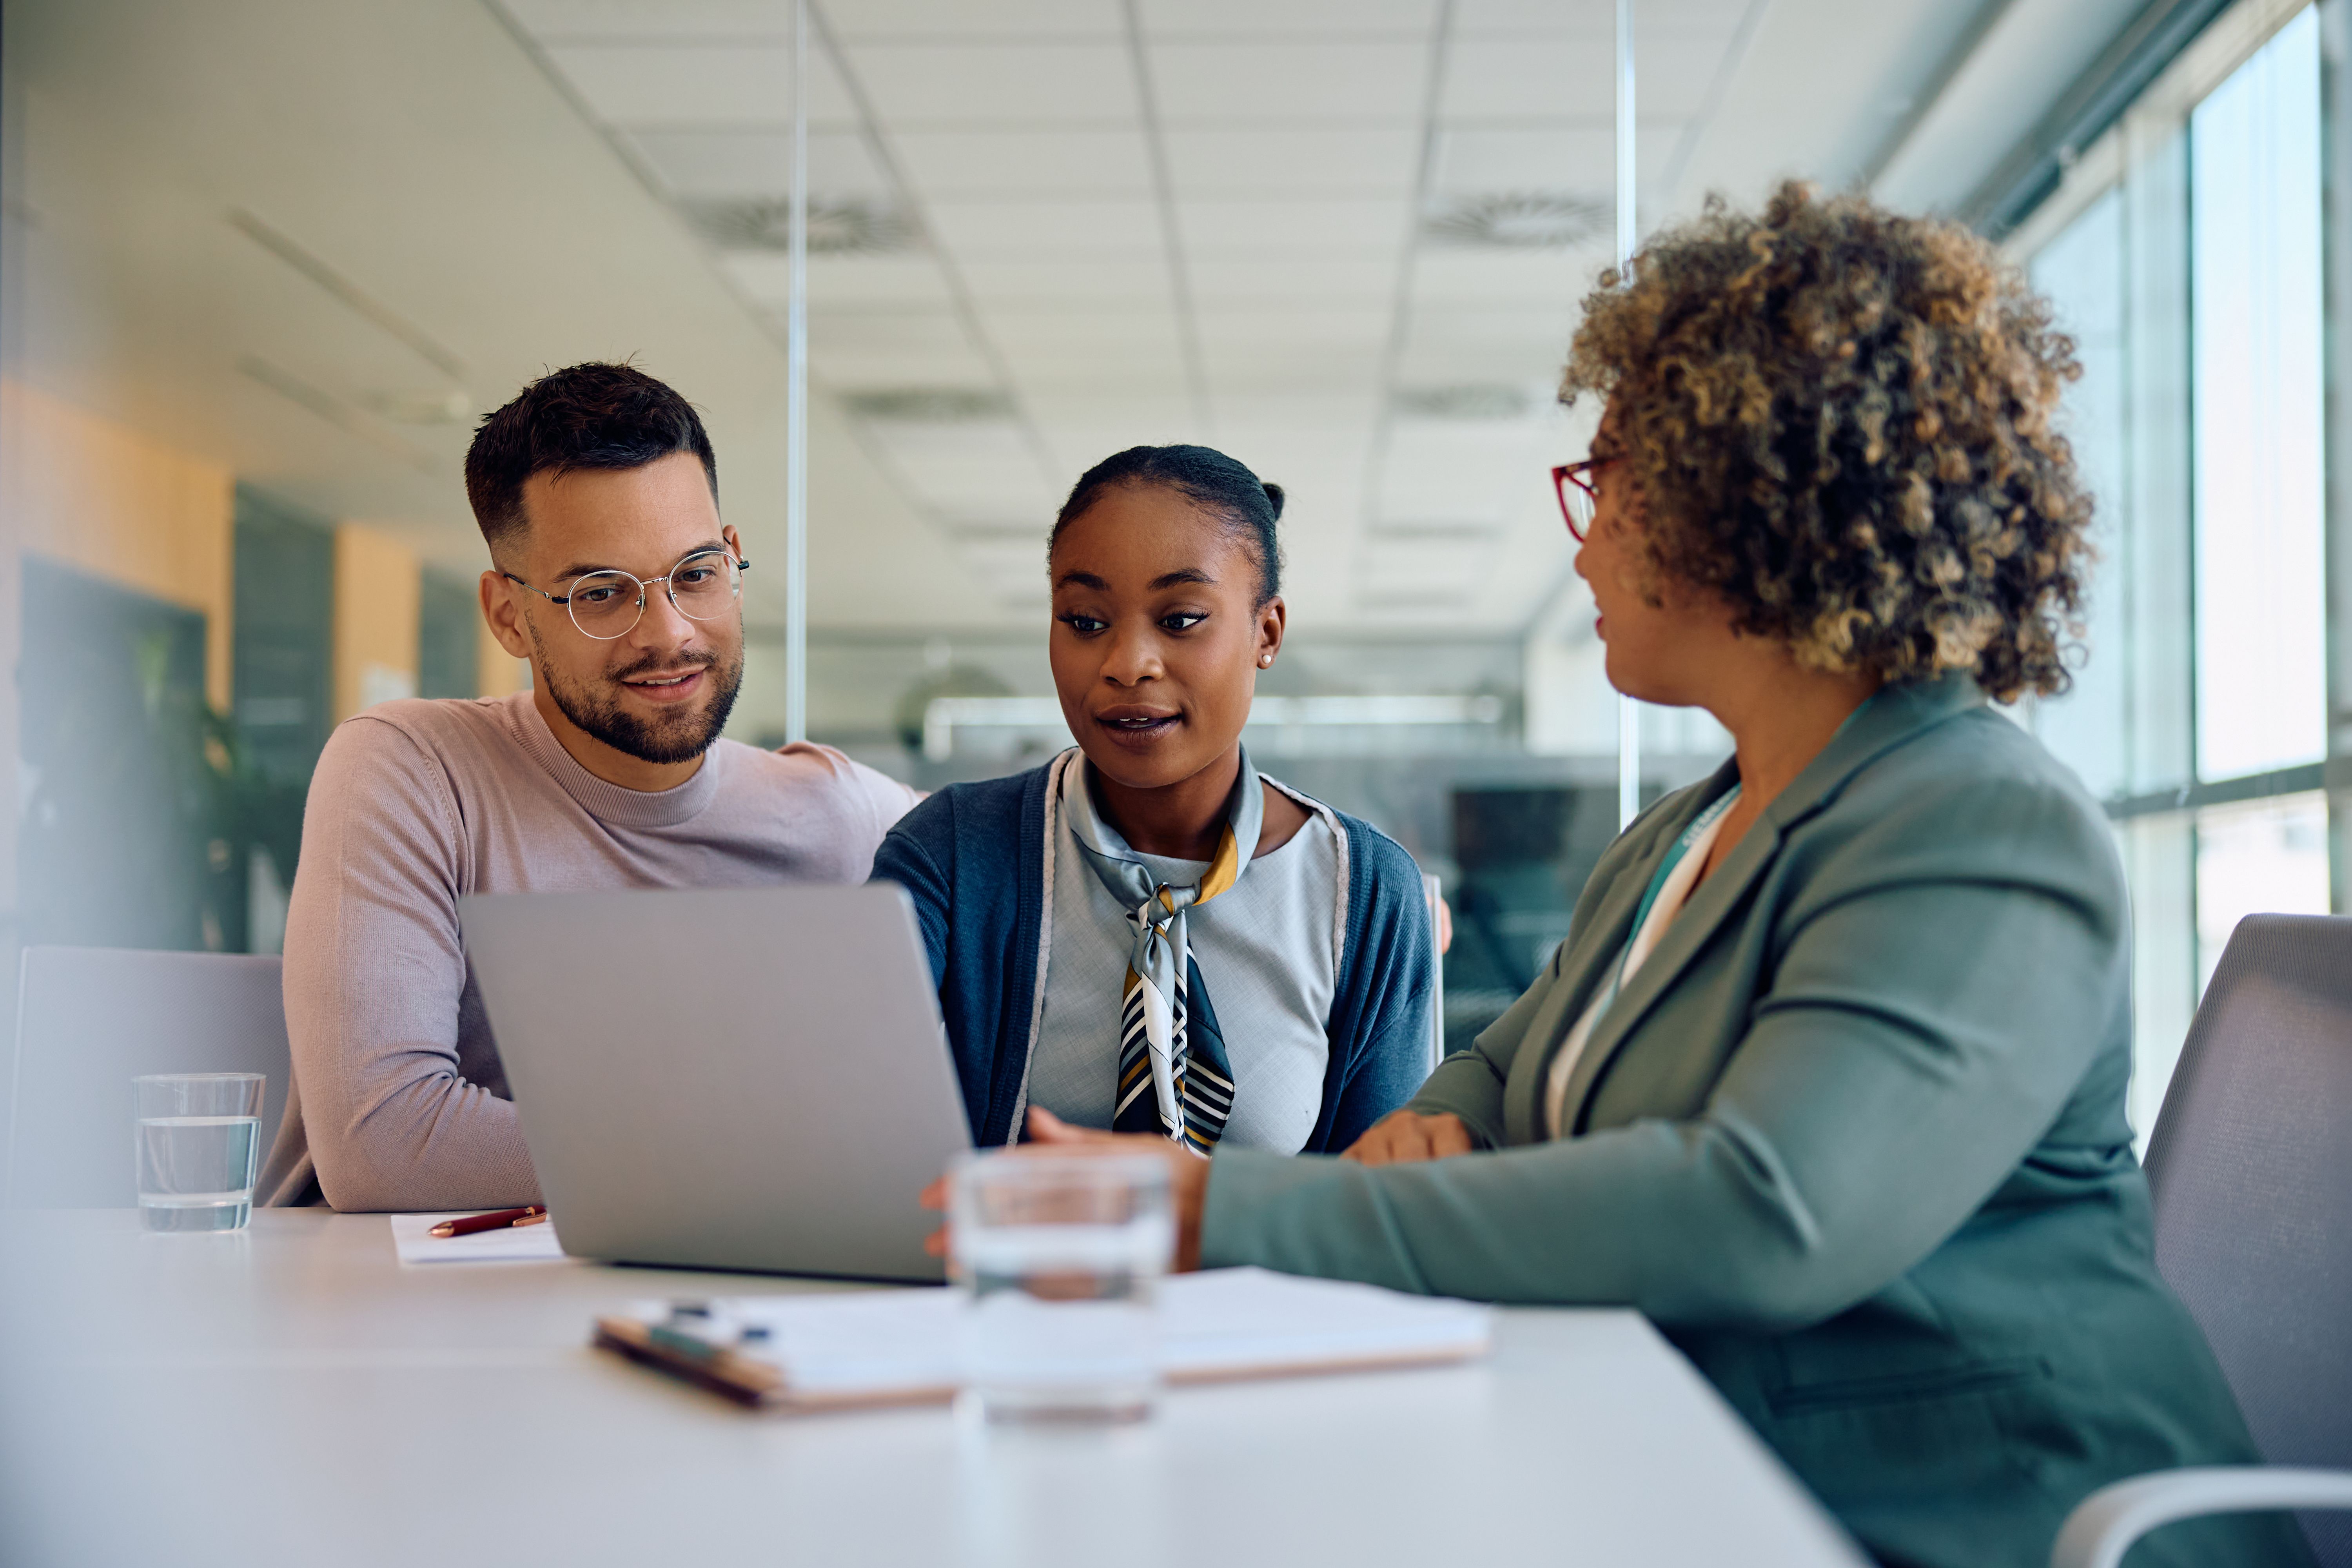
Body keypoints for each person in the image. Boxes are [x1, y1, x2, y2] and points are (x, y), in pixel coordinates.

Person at [940, 190, 2307, 1568]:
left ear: (1748, 499)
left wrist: (1212, 1206)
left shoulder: (1981, 829)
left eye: (1610, 484)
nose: (1583, 541)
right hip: (1704, 1475)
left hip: (1985, 1517)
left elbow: (1760, 1212)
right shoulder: (1681, 839)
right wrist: (1457, 1119)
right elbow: (1500, 1066)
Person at [260, 363, 920, 1212]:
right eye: (601, 592)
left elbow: (1057, 866)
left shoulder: (838, 813)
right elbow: (385, 1143)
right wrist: (784, 1147)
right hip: (393, 1310)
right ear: (508, 616)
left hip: (699, 1293)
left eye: (696, 573)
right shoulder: (412, 769)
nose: (670, 632)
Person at [873, 445, 1435, 1153]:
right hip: (1018, 1263)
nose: (1126, 663)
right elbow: (860, 1137)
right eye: (1084, 621)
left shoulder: (1368, 894)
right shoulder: (951, 853)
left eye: (1180, 620)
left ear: (1267, 633)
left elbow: (1381, 1210)